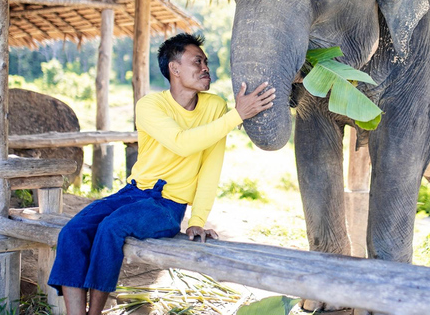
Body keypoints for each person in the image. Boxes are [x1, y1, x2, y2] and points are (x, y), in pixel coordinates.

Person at [48, 33, 275, 315]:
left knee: (112, 227)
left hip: (168, 205)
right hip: (131, 193)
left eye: (206, 61)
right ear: (174, 68)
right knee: (73, 231)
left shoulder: (216, 107)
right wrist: (237, 116)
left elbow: (210, 168)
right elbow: (181, 142)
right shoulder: (150, 105)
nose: (206, 67)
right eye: (198, 61)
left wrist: (198, 219)